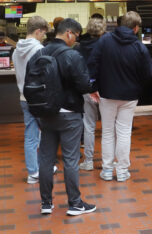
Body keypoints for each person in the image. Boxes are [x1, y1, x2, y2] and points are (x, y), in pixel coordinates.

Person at [36, 18, 97, 216]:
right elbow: (84, 85)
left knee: (46, 159)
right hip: (69, 113)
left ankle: (46, 203)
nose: (75, 41)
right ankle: (75, 203)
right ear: (69, 33)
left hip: (45, 112)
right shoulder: (72, 55)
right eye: (76, 36)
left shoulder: (40, 52)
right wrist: (92, 84)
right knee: (70, 159)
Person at [88, 11, 152, 182]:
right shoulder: (139, 46)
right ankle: (123, 171)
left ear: (120, 24)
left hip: (107, 94)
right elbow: (149, 73)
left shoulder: (104, 40)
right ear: (136, 28)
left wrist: (93, 86)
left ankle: (108, 170)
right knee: (124, 132)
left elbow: (92, 63)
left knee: (108, 132)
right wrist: (137, 85)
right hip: (130, 96)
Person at [12, 16, 48, 184]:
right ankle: (36, 170)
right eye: (43, 34)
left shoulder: (16, 50)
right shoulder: (39, 49)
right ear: (38, 31)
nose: (43, 37)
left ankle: (36, 169)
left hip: (23, 96)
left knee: (31, 134)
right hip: (40, 96)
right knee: (44, 134)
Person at [76, 16, 107, 171]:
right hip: (105, 89)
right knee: (109, 127)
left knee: (88, 126)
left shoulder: (79, 46)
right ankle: (108, 162)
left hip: (87, 89)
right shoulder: (107, 45)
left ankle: (88, 161)